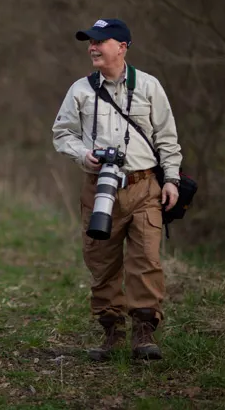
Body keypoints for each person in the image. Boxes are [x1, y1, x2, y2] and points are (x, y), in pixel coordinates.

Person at [51, 19, 182, 361]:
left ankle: (144, 333)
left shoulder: (149, 86)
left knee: (146, 260)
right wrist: (84, 155)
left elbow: (167, 138)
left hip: (143, 186)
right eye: (89, 42)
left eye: (100, 41)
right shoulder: (80, 89)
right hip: (98, 188)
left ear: (122, 47)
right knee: (102, 262)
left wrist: (171, 179)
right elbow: (62, 133)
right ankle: (112, 332)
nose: (92, 47)